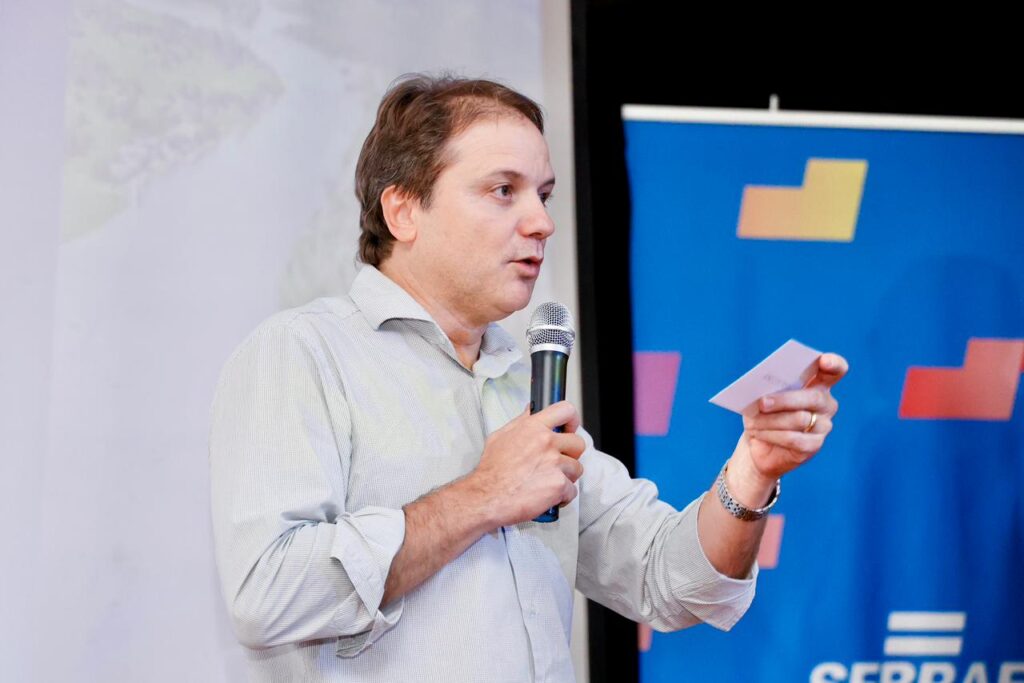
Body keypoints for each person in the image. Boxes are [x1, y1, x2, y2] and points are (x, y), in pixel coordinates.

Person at [209, 74, 848, 682]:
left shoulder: (521, 386)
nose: (542, 222)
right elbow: (266, 593)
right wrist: (483, 495)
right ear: (403, 211)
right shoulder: (303, 353)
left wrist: (752, 470)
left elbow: (671, 583)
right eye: (502, 190)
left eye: (542, 195)